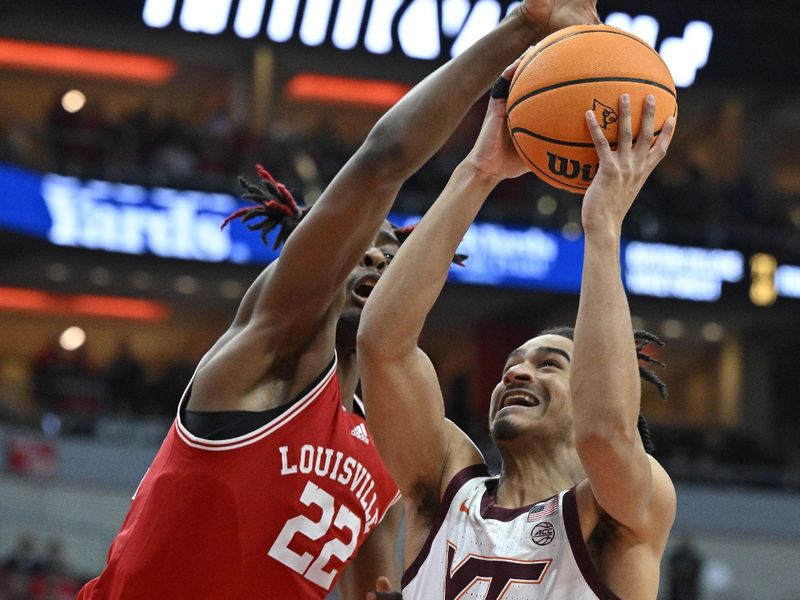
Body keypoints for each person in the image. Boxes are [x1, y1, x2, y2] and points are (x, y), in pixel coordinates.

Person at [78, 1, 600, 598]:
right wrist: (523, 27)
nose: (379, 257)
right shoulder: (269, 358)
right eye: (364, 247)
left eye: (393, 255)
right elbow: (384, 163)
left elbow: (370, 587)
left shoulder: (391, 445)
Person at [357, 61, 677, 599]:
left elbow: (603, 432)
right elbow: (382, 347)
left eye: (549, 363)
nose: (518, 371)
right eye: (512, 365)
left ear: (586, 389)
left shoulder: (617, 510)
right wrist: (479, 170)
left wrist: (602, 226)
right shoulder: (444, 485)